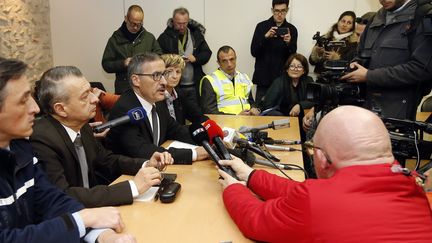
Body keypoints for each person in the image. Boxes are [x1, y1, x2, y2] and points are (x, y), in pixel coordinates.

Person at [218, 105, 432, 242]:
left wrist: (234, 189)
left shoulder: (315, 202)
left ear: (321, 158)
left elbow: (256, 220)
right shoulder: (413, 188)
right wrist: (251, 176)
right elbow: (303, 193)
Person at [0, 57, 135, 242]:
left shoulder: (20, 148)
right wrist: (82, 219)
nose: (36, 108)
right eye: (23, 100)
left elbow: (52, 200)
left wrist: (102, 235)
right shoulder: (37, 139)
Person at [30, 65, 173, 208]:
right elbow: (64, 195)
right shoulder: (42, 140)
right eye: (85, 96)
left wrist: (146, 164)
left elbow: (106, 160)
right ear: (61, 109)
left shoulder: (82, 126)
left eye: (91, 91)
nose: (95, 99)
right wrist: (133, 187)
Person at [106, 53, 208, 164]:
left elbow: (176, 130)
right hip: (128, 175)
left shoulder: (156, 102)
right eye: (156, 75)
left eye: (164, 74)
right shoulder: (125, 109)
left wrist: (209, 139)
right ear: (136, 80)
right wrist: (195, 154)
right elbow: (143, 150)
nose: (164, 81)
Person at [341, 0, 432, 120]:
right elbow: (360, 54)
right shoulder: (375, 19)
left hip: (395, 114)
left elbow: (422, 69)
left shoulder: (423, 16)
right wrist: (354, 65)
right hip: (364, 108)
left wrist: (369, 76)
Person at [102, 5, 163, 94]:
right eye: (133, 24)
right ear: (126, 18)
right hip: (124, 88)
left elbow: (159, 57)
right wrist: (123, 63)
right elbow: (106, 64)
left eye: (139, 24)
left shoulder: (149, 38)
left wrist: (147, 62)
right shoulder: (115, 39)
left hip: (146, 87)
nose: (135, 27)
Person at [157, 7, 212, 107]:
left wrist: (196, 58)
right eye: (178, 23)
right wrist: (173, 59)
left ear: (188, 21)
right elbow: (158, 58)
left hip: (194, 85)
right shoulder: (164, 37)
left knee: (195, 114)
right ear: (173, 21)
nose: (182, 26)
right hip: (173, 86)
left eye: (185, 23)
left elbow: (207, 53)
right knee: (177, 116)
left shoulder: (196, 34)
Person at [251, 0, 298, 103]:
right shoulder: (261, 27)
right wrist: (265, 37)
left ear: (287, 10)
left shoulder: (292, 29)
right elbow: (254, 52)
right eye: (277, 11)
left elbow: (293, 58)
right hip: (263, 79)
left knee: (281, 113)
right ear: (272, 10)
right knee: (260, 112)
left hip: (283, 80)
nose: (280, 14)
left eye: (283, 11)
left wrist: (288, 43)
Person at [199, 46, 260, 115]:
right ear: (218, 63)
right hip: (224, 124)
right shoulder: (210, 80)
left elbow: (250, 102)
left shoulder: (243, 78)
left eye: (232, 59)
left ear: (236, 59)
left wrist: (254, 108)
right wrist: (236, 117)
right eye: (224, 61)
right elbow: (209, 112)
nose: (229, 64)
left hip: (247, 122)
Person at [160, 54, 208, 125]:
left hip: (179, 134)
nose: (175, 76)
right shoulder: (156, 97)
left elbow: (198, 116)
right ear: (161, 73)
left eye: (178, 72)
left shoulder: (179, 94)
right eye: (170, 71)